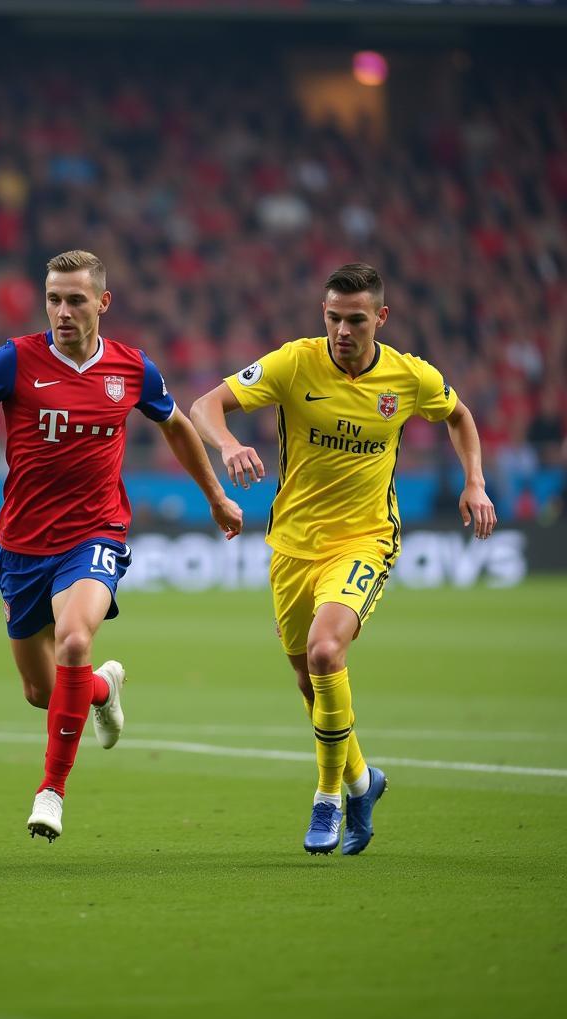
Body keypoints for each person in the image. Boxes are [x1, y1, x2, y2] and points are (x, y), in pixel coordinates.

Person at [0, 250, 243, 842]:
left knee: (74, 637)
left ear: (103, 303)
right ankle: (100, 688)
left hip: (96, 533)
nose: (62, 312)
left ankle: (51, 793)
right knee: (43, 693)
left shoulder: (132, 369)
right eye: (54, 300)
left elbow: (176, 427)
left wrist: (215, 496)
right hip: (21, 545)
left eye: (76, 300)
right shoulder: (15, 360)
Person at [190, 262, 496, 856]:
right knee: (311, 683)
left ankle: (329, 797)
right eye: (333, 318)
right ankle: (363, 779)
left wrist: (475, 482)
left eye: (356, 319)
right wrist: (228, 444)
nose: (343, 330)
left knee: (327, 651)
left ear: (380, 317)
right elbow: (205, 405)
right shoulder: (293, 363)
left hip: (365, 539)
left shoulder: (409, 377)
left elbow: (459, 415)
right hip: (292, 544)